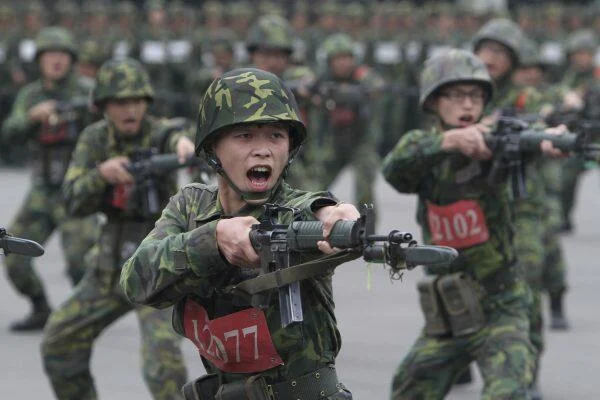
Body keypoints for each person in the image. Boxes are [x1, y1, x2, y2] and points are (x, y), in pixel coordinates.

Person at [120, 67, 358, 399]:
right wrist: (213, 240)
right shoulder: (191, 207)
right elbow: (135, 280)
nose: (263, 150)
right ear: (213, 148)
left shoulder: (293, 209)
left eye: (275, 136)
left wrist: (339, 217)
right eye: (245, 136)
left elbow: (314, 209)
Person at [383, 48, 564, 400]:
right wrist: (450, 142)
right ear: (434, 101)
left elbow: (532, 135)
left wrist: (550, 139)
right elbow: (394, 169)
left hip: (502, 307)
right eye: (456, 95)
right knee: (408, 388)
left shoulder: (499, 138)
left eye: (476, 95)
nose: (468, 104)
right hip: (449, 312)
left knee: (508, 392)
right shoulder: (424, 147)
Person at [40, 57, 192, 399]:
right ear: (103, 106)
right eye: (120, 102)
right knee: (59, 342)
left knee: (164, 367)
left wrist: (182, 145)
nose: (130, 109)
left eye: (137, 100)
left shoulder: (159, 131)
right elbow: (71, 201)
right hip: (111, 267)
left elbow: (175, 136)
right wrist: (101, 175)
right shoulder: (94, 140)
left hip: (158, 270)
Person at [1, 26, 100, 331]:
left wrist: (86, 110)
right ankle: (40, 307)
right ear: (40, 60)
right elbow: (9, 134)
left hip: (76, 188)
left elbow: (111, 125)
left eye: (61, 55)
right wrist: (32, 116)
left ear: (71, 59)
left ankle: (82, 317)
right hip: (42, 190)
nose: (56, 61)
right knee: (14, 254)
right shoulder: (31, 94)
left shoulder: (86, 91)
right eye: (49, 55)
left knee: (79, 261)